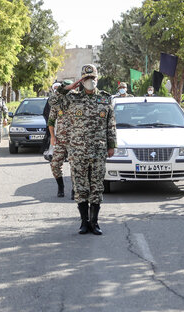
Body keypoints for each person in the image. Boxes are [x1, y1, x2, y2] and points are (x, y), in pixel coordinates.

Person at [49, 64, 116, 235]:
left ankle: (95, 222)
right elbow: (53, 102)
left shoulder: (105, 99)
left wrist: (111, 145)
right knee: (80, 187)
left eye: (92, 78)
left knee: (96, 187)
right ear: (81, 80)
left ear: (97, 79)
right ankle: (84, 222)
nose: (90, 81)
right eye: (86, 78)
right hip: (78, 151)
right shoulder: (72, 98)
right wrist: (67, 88)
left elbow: (111, 124)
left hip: (98, 151)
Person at [48, 80, 74, 198]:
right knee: (55, 164)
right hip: (61, 139)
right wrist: (52, 136)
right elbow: (51, 121)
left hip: (76, 140)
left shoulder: (78, 101)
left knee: (76, 166)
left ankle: (75, 189)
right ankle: (61, 187)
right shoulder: (57, 103)